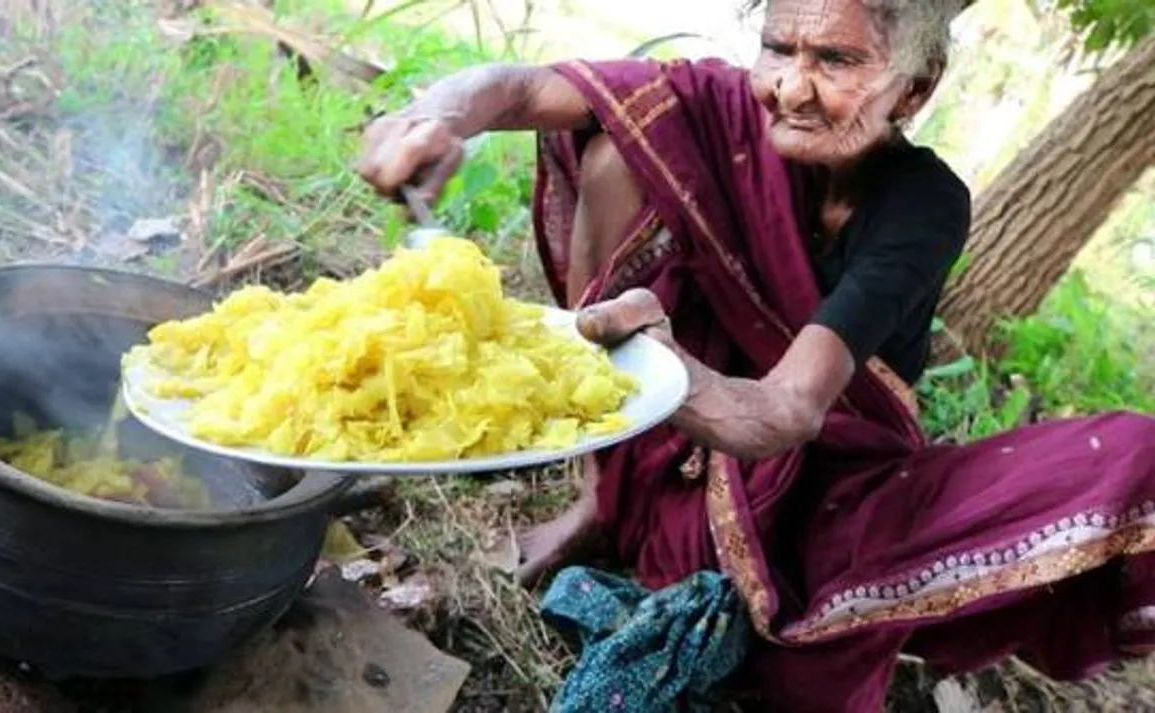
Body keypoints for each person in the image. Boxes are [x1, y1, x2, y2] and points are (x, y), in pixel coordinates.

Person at [357, 0, 1155, 709]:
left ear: (916, 89)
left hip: (824, 477)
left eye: (836, 60)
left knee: (1129, 458)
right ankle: (601, 501)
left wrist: (661, 364)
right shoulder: (718, 107)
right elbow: (527, 89)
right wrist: (435, 117)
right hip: (669, 448)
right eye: (780, 49)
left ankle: (727, 570)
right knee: (620, 145)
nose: (791, 88)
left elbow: (790, 409)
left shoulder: (923, 202)